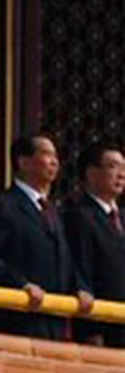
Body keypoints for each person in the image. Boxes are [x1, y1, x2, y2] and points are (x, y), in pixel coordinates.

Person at [0, 133, 96, 339]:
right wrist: (20, 284)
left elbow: (65, 258)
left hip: (52, 320)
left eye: (55, 155)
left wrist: (80, 288)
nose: (54, 161)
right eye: (46, 154)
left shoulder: (53, 210)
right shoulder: (4, 205)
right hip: (16, 319)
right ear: (24, 162)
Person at [62, 144, 125, 346]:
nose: (121, 175)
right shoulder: (79, 216)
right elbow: (81, 271)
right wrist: (90, 329)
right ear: (92, 173)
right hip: (103, 328)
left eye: (124, 168)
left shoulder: (122, 218)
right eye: (113, 167)